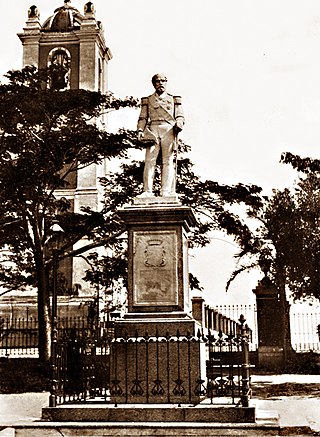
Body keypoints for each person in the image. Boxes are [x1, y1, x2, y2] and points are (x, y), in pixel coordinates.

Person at [137, 73, 184, 197]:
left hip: (168, 129)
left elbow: (180, 115)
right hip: (152, 130)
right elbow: (143, 118)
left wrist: (179, 123)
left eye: (163, 81)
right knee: (149, 160)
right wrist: (140, 130)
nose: (161, 83)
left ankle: (166, 191)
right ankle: (147, 191)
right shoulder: (147, 100)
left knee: (167, 161)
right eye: (158, 81)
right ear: (154, 83)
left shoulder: (174, 99)